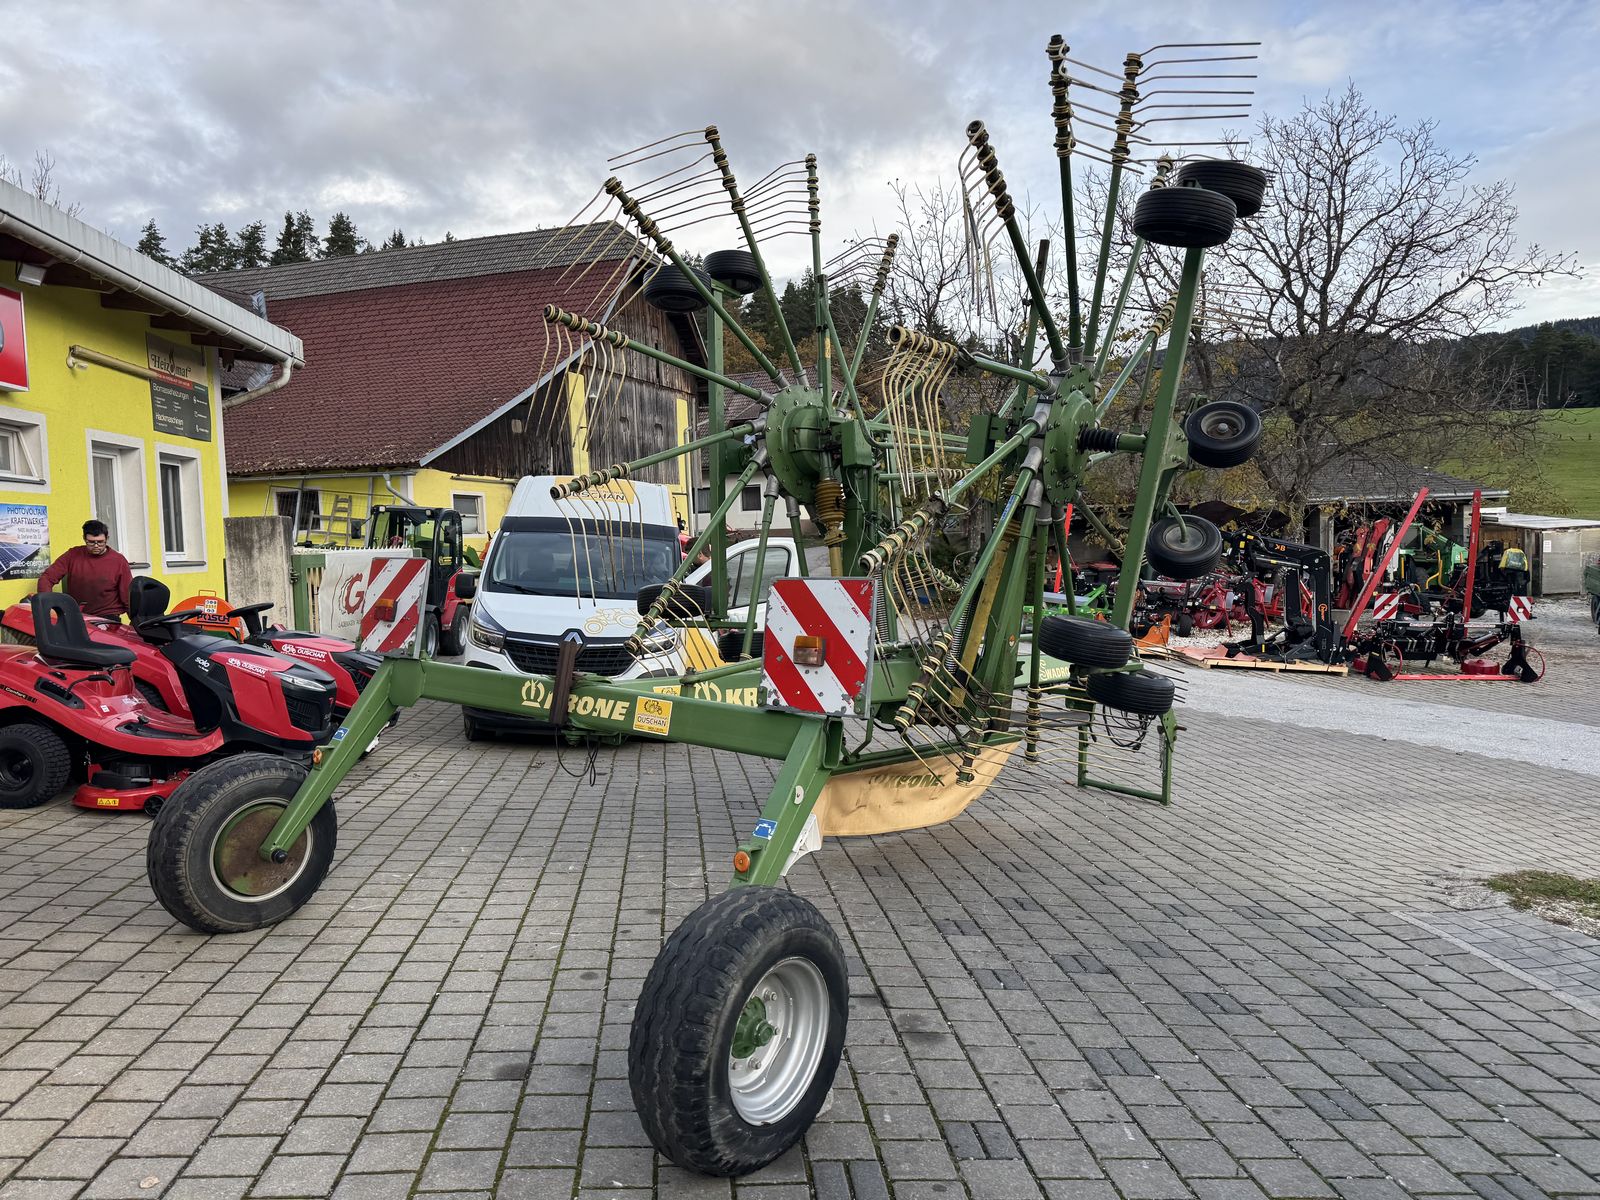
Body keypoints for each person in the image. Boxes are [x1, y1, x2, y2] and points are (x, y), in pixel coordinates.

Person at [36, 519, 132, 620]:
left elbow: (128, 595)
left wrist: (135, 620)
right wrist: (48, 605)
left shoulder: (118, 561)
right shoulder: (73, 555)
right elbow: (47, 578)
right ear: (84, 538)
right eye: (91, 542)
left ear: (107, 539)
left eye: (100, 542)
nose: (96, 546)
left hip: (108, 616)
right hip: (78, 615)